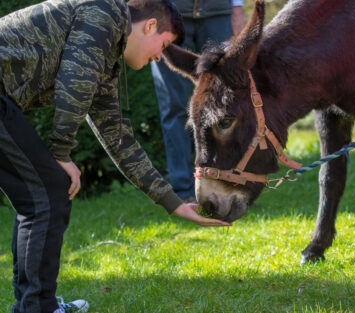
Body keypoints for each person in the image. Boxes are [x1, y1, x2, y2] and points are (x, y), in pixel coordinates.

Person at [0, 0, 231, 312]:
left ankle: (36, 305)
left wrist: (173, 204)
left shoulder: (107, 60)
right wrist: (61, 152)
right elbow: (75, 81)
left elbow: (118, 138)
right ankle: (37, 307)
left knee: (43, 194)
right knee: (48, 191)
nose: (159, 57)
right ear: (150, 25)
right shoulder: (104, 13)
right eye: (163, 44)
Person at [150, 0, 246, 202]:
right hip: (166, 14)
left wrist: (237, 7)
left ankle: (229, 183)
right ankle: (183, 191)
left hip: (218, 14)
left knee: (225, 107)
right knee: (173, 105)